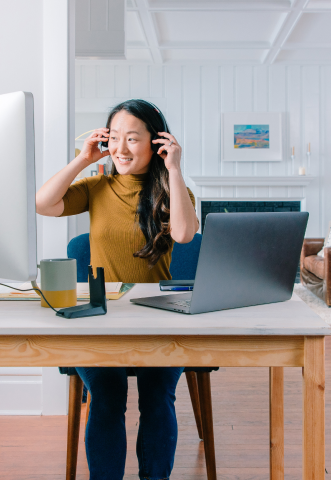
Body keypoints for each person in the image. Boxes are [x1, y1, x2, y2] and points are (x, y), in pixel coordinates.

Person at [35, 99, 199, 480]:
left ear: (157, 143)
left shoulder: (172, 189)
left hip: (156, 317)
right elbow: (43, 203)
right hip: (99, 318)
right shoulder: (97, 187)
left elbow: (184, 233)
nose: (121, 149)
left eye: (133, 139)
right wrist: (82, 159)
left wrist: (174, 168)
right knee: (107, 399)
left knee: (158, 399)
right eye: (115, 139)